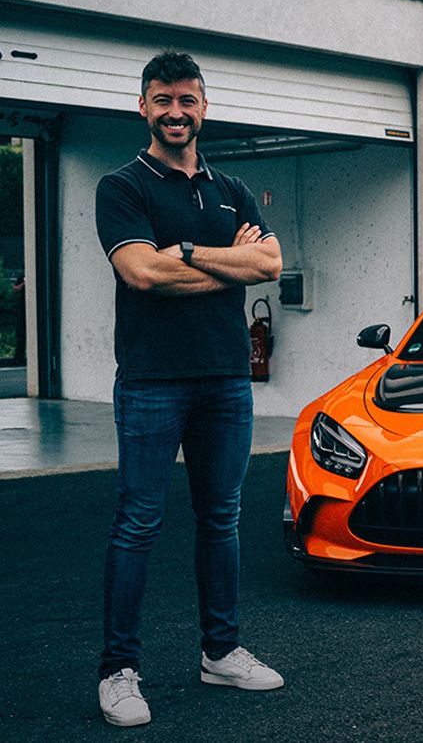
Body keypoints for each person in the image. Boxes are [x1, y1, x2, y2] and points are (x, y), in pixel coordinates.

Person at [94, 51, 285, 726]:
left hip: (227, 379)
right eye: (162, 99)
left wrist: (185, 254)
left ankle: (221, 652)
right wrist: (229, 266)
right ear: (143, 106)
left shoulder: (231, 187)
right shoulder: (122, 187)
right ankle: (118, 671)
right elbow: (141, 275)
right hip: (152, 381)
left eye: (187, 100)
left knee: (221, 520)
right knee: (137, 524)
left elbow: (270, 261)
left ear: (205, 106)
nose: (176, 112)